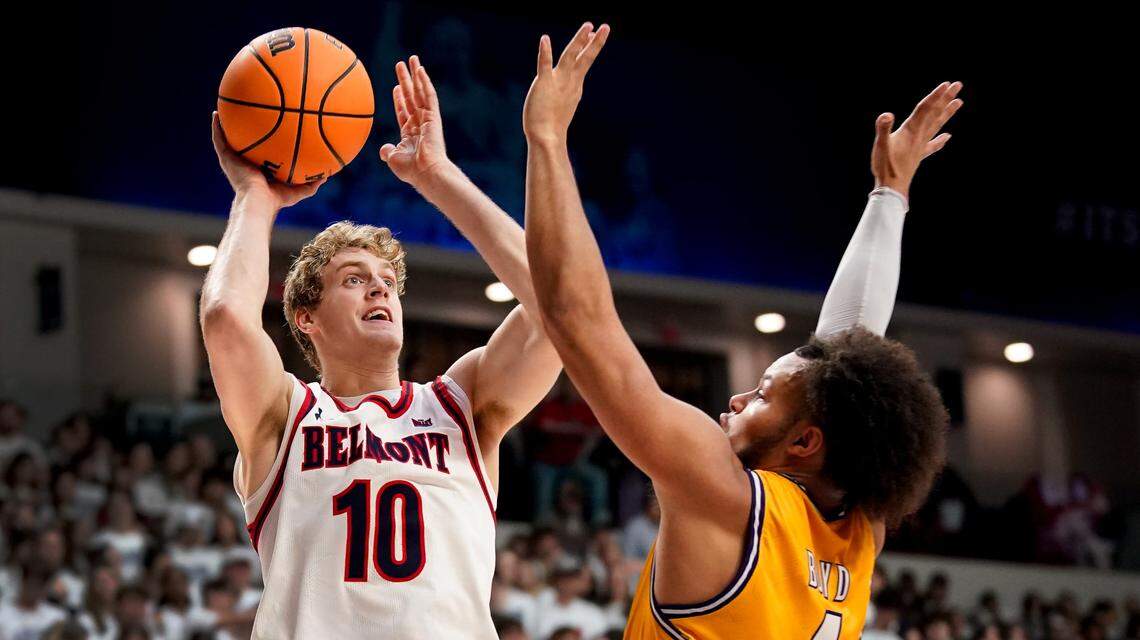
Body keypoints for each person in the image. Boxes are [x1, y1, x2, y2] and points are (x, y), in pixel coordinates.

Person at [520, 23, 957, 638]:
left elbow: (576, 317)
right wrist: (888, 195)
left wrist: (546, 138)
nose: (737, 398)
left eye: (761, 393)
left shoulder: (726, 497)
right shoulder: (860, 531)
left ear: (804, 443)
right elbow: (844, 365)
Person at [202, 51, 561, 637]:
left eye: (387, 282)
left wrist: (437, 177)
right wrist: (255, 197)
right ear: (306, 317)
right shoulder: (282, 414)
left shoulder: (459, 404)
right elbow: (224, 318)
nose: (378, 288)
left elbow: (557, 305)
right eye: (353, 279)